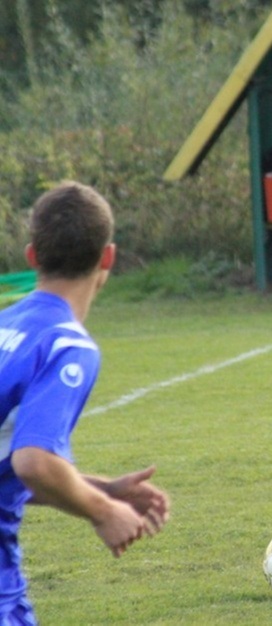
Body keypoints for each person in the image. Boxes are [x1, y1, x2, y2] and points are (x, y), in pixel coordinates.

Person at [0, 182, 171, 623]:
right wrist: (103, 511)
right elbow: (33, 462)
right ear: (108, 258)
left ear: (32, 256)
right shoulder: (65, 346)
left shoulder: (5, 326)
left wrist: (97, 488)